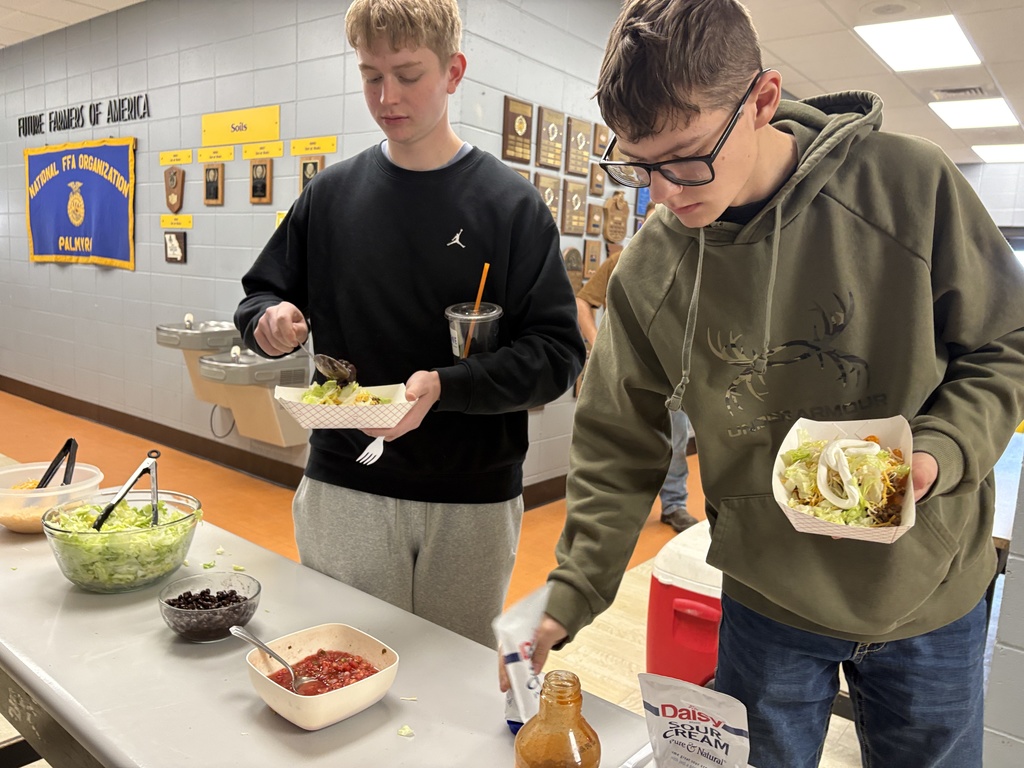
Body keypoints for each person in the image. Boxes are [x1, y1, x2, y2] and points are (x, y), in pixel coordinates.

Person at [508, 1, 1024, 766]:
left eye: (686, 156)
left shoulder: (910, 187)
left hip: (928, 587)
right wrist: (573, 590)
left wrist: (941, 449)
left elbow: (1003, 346)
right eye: (640, 164)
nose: (666, 193)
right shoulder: (652, 267)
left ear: (763, 100)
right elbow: (619, 440)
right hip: (768, 595)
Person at [234, 0, 585, 649]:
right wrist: (271, 320)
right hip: (346, 483)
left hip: (472, 498)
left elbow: (558, 354)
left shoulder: (512, 207)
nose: (387, 96)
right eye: (371, 75)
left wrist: (447, 387)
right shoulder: (330, 197)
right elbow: (260, 294)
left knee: (452, 684)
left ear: (454, 72)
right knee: (344, 664)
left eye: (408, 74)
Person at [575, 235, 697, 533]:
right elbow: (583, 302)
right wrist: (599, 345)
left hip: (671, 375)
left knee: (675, 443)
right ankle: (615, 509)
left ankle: (674, 506)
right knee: (616, 442)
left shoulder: (692, 262)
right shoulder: (621, 260)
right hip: (623, 373)